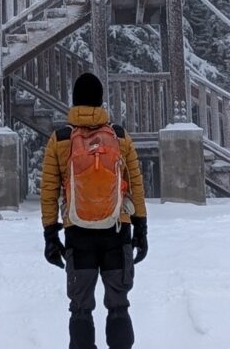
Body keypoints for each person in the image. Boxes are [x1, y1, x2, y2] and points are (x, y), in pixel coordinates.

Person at [40, 72, 148, 349]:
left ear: (75, 101)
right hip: (117, 229)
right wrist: (141, 228)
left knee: (80, 308)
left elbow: (49, 192)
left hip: (78, 233)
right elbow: (135, 184)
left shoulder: (61, 139)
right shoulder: (120, 136)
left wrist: (51, 235)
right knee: (119, 306)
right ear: (100, 101)